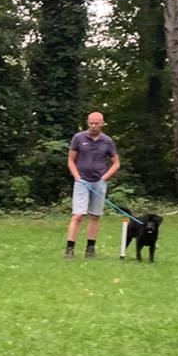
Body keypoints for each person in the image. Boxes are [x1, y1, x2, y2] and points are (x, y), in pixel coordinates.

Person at [65, 111, 120, 259]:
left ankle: (90, 249)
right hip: (81, 181)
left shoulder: (107, 141)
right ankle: (69, 249)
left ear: (102, 123)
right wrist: (77, 177)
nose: (93, 126)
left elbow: (116, 163)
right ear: (87, 122)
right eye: (91, 123)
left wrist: (104, 178)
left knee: (95, 216)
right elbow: (70, 160)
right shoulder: (78, 138)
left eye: (96, 123)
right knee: (77, 215)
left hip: (98, 182)